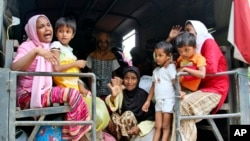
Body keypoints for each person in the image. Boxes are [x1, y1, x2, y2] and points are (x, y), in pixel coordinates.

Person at [11, 14, 91, 141]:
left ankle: (73, 134)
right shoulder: (28, 46)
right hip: (27, 96)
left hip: (44, 92)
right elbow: (14, 68)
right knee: (73, 95)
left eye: (48, 25)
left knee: (79, 96)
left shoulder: (50, 48)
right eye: (41, 27)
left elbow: (59, 73)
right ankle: (73, 134)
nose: (47, 28)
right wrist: (35, 52)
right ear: (33, 30)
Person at [166, 20, 229, 141]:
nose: (187, 33)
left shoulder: (207, 42)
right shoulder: (191, 51)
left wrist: (186, 68)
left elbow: (210, 69)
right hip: (200, 89)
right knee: (177, 105)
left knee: (183, 107)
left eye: (189, 30)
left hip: (215, 89)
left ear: (198, 31)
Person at [105, 66, 155, 141]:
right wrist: (113, 96)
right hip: (118, 132)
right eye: (126, 78)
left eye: (133, 78)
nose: (129, 82)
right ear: (123, 79)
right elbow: (111, 102)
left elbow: (151, 118)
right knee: (113, 116)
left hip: (133, 132)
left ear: (138, 80)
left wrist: (139, 127)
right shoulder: (120, 91)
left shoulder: (143, 96)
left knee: (128, 115)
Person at [142, 41, 176, 141]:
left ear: (169, 56)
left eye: (160, 55)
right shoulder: (155, 71)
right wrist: (148, 101)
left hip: (168, 101)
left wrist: (180, 92)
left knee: (166, 127)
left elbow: (175, 82)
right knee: (157, 127)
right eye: (156, 55)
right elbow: (153, 86)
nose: (157, 58)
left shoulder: (171, 67)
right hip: (158, 102)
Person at [50, 17, 90, 97]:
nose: (64, 34)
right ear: (56, 33)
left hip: (72, 86)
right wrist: (75, 63)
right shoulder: (56, 45)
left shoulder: (69, 50)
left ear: (73, 35)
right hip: (64, 87)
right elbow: (56, 69)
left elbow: (74, 72)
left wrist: (83, 75)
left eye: (67, 32)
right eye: (60, 31)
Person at [86, 32, 120, 100]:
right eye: (100, 42)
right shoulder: (92, 56)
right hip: (95, 86)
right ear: (97, 43)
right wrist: (91, 88)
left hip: (108, 87)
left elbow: (114, 74)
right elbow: (88, 74)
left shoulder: (112, 56)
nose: (102, 44)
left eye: (105, 42)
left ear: (108, 44)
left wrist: (115, 87)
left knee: (107, 104)